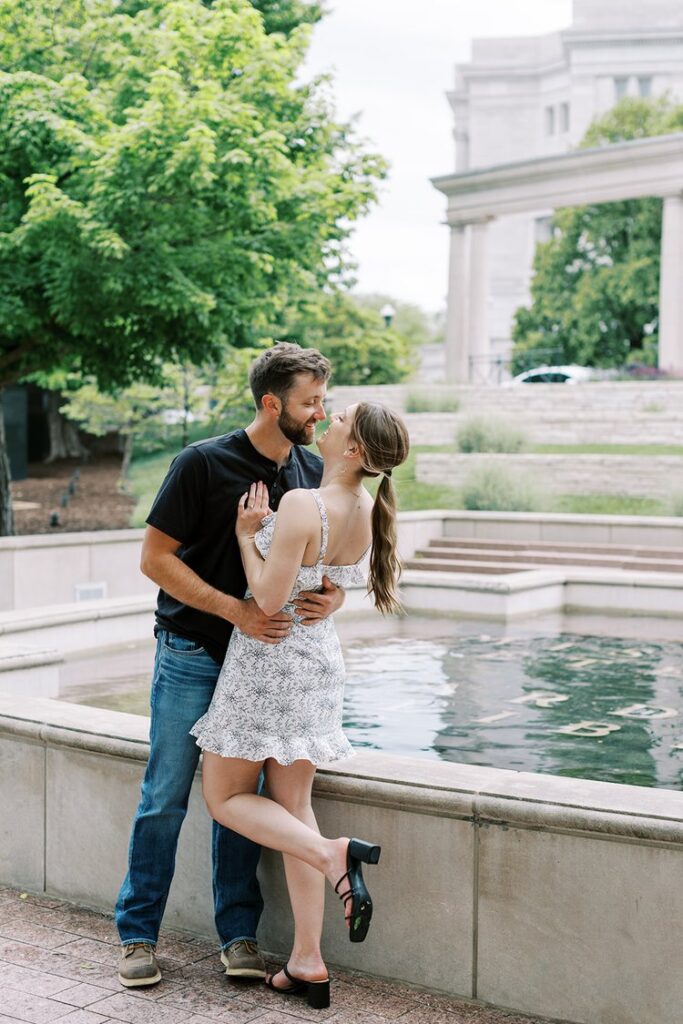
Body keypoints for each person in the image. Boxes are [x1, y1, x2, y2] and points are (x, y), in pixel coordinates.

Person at [115, 343, 347, 989]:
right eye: (309, 402)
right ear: (271, 403)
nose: (319, 413)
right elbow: (155, 558)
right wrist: (233, 611)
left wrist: (334, 597)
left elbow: (324, 566)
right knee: (164, 797)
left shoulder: (309, 472)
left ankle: (238, 936)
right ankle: (137, 935)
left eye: (322, 401)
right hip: (194, 654)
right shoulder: (201, 463)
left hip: (265, 670)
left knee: (245, 804)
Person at [191, 401, 410, 1010]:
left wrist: (242, 536)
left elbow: (265, 597)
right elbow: (331, 585)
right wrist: (330, 599)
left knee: (224, 797)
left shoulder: (299, 504)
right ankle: (308, 961)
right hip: (317, 662)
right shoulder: (367, 510)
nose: (331, 418)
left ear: (356, 449)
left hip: (270, 659)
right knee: (295, 805)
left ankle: (332, 854)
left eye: (342, 418)